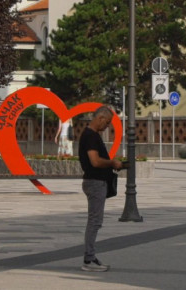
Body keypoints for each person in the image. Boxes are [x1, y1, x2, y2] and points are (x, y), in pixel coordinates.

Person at [78, 105, 124, 272]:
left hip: (97, 182)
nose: (108, 126)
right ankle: (88, 260)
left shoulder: (92, 135)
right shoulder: (90, 136)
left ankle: (90, 257)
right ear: (100, 118)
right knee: (94, 221)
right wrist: (112, 163)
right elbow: (95, 162)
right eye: (108, 122)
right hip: (95, 182)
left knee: (95, 221)